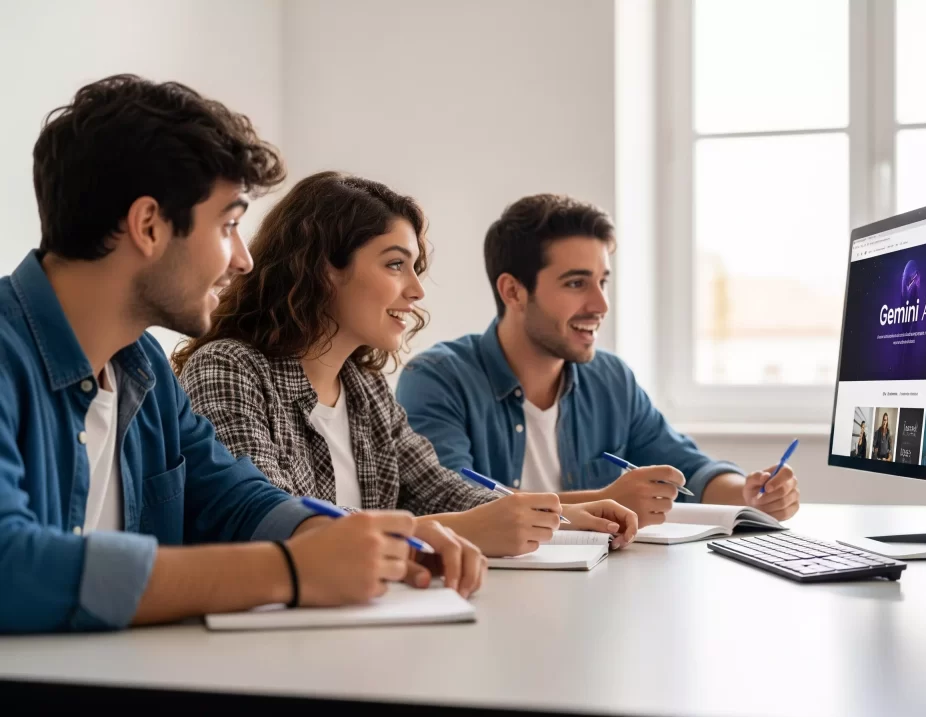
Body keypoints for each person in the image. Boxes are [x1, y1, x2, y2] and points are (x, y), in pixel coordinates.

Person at [0, 76, 482, 635]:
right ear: (149, 226)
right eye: (228, 225)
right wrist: (291, 570)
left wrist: (358, 541)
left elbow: (236, 499)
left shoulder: (144, 368)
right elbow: (11, 566)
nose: (244, 260)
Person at [173, 173, 638, 558]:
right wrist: (465, 529)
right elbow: (272, 522)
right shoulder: (229, 369)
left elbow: (442, 490)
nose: (416, 290)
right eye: (396, 265)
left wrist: (555, 515)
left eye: (416, 267)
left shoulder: (364, 388)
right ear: (322, 269)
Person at [396, 194, 801, 528]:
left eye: (602, 281)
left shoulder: (611, 379)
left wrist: (749, 494)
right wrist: (606, 500)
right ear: (513, 292)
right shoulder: (436, 378)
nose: (600, 304)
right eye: (576, 283)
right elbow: (448, 503)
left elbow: (688, 470)